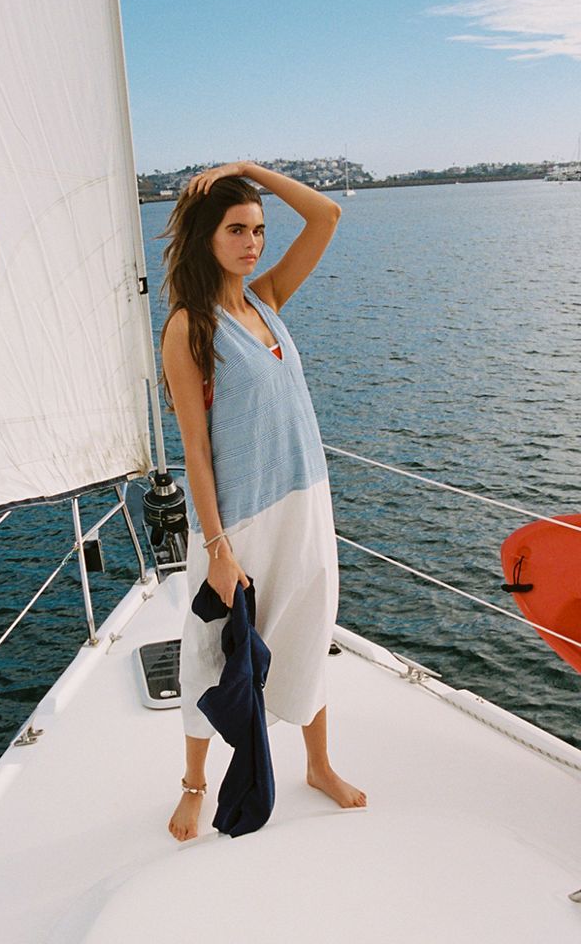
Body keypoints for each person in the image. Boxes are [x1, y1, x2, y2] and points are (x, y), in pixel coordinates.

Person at [160, 161, 367, 842]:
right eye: (236, 229)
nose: (252, 242)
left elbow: (326, 215)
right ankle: (194, 785)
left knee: (309, 629)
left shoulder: (267, 299)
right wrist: (218, 549)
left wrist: (250, 170)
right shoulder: (189, 327)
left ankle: (319, 765)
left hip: (306, 503)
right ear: (206, 238)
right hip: (241, 521)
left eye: (258, 230)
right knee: (210, 652)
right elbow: (195, 449)